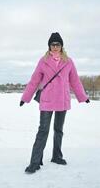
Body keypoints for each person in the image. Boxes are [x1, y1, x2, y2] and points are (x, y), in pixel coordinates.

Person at [20, 32, 90, 174]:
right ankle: (35, 162)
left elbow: (75, 80)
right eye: (53, 44)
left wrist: (83, 96)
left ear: (61, 46)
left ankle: (57, 156)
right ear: (49, 46)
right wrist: (25, 97)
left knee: (58, 130)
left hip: (62, 100)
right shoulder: (43, 61)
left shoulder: (69, 61)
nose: (55, 47)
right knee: (43, 130)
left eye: (58, 44)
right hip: (47, 100)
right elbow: (34, 80)